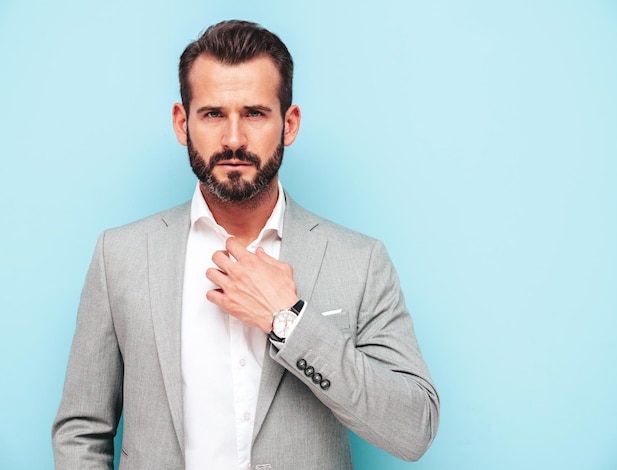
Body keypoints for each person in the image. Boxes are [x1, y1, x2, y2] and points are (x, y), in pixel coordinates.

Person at [52, 20, 439, 470]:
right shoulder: (119, 257)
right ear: (183, 123)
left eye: (254, 113)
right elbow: (82, 430)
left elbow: (415, 429)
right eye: (213, 113)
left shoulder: (360, 262)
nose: (233, 138)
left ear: (288, 124)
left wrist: (290, 321)